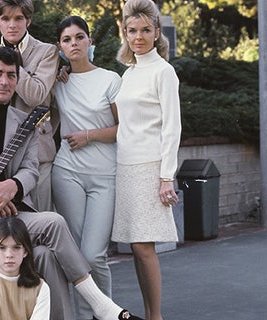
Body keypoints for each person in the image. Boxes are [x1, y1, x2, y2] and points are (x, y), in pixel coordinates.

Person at [0, 46, 142, 320]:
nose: (4, 82)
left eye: (10, 75)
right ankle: (101, 305)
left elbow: (30, 170)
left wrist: (12, 187)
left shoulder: (23, 123)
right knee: (54, 222)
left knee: (45, 255)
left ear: (17, 81)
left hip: (12, 216)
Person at [112, 0, 182, 319]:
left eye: (144, 30)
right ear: (125, 34)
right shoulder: (129, 73)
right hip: (125, 167)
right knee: (136, 249)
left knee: (143, 247)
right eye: (132, 30)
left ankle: (156, 316)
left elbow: (172, 126)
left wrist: (166, 175)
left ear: (156, 32)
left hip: (150, 167)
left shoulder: (163, 71)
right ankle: (149, 313)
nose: (138, 37)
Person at [52, 16, 122, 320]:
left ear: (89, 41)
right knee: (77, 257)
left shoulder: (110, 79)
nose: (74, 44)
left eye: (79, 37)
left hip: (104, 176)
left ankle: (105, 313)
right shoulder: (57, 80)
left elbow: (126, 128)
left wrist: (90, 135)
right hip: (66, 172)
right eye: (67, 40)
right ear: (60, 47)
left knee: (95, 254)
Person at [0, 0, 59, 212]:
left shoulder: (46, 52)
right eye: (6, 19)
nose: (12, 25)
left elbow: (35, 95)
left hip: (36, 155)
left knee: (39, 223)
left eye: (18, 18)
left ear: (28, 20)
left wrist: (7, 60)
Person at [0, 217, 50, 320]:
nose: (9, 255)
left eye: (16, 247)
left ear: (25, 251)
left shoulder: (41, 287)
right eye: (2, 248)